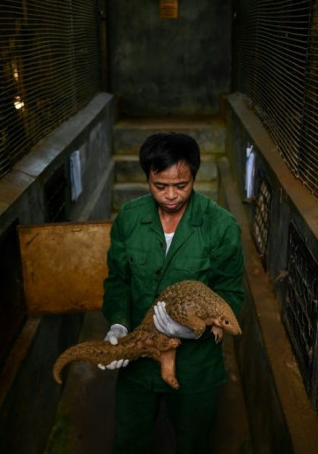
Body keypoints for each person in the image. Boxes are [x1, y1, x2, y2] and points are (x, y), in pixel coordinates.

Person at [100, 132, 245, 454]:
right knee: (128, 441)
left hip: (195, 368)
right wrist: (119, 325)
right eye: (159, 186)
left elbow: (231, 294)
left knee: (194, 441)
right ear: (147, 178)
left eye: (181, 186)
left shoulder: (220, 227)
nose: (170, 196)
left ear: (195, 176)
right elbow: (118, 281)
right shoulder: (130, 218)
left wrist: (195, 328)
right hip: (138, 359)